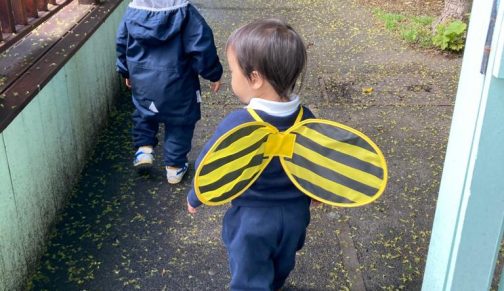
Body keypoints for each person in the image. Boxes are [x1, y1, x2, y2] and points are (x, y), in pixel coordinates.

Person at [187, 18, 314, 290]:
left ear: (254, 78)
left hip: (252, 221)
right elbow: (315, 161)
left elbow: (211, 164)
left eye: (233, 71)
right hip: (295, 216)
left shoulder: (240, 123)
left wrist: (196, 196)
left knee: (248, 277)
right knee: (283, 262)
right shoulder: (307, 119)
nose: (232, 78)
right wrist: (316, 194)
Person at [116, 0, 223, 184]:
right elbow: (202, 44)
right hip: (178, 80)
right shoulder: (186, 13)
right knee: (181, 120)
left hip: (142, 77)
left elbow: (122, 42)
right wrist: (213, 73)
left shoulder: (132, 11)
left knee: (144, 110)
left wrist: (125, 70)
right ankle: (174, 167)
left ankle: (144, 148)